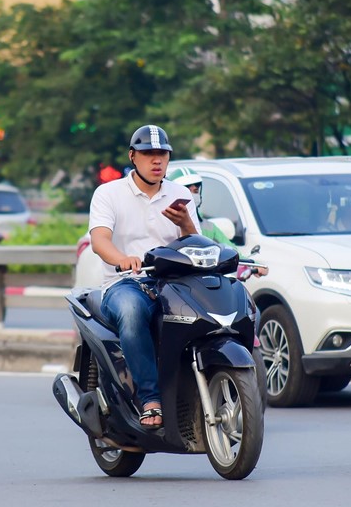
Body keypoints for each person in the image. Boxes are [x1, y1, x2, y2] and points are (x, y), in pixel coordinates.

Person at [88, 125, 200, 429]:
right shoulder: (108, 193)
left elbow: (197, 243)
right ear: (132, 156)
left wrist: (187, 224)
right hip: (125, 283)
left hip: (174, 284)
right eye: (149, 154)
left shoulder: (179, 193)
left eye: (162, 154)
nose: (156, 160)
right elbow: (99, 241)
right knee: (131, 310)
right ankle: (150, 399)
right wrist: (122, 259)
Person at [168, 166, 268, 278]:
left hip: (204, 280)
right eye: (187, 190)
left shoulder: (209, 227)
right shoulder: (165, 221)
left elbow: (230, 249)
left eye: (195, 191)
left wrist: (251, 264)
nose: (192, 195)